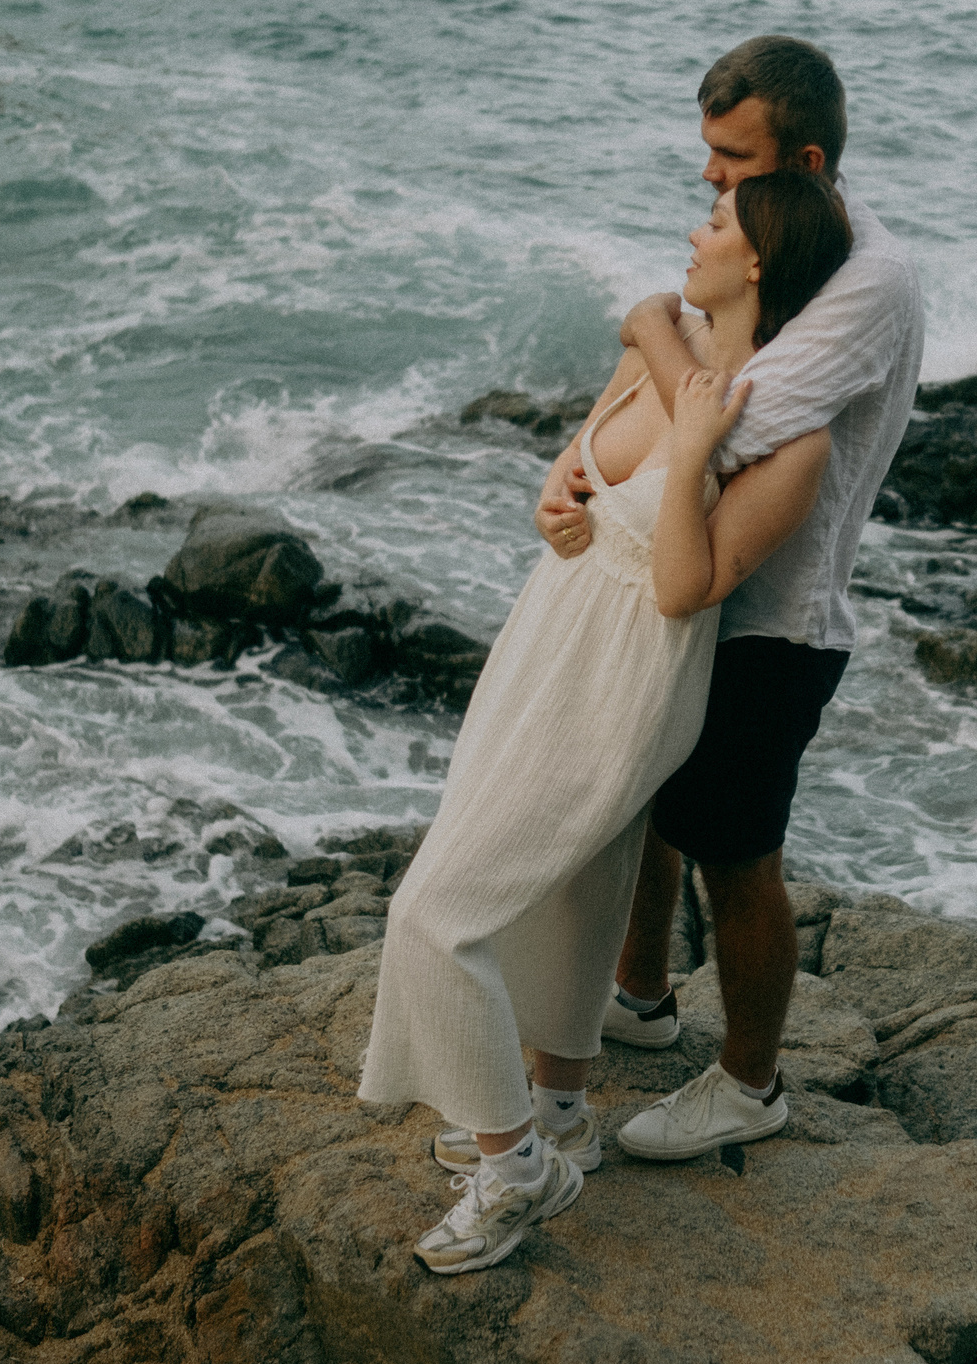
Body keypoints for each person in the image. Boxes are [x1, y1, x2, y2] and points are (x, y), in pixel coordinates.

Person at [357, 169, 855, 1274]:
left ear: (760, 260)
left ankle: (517, 1170)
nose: (694, 225)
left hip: (632, 670)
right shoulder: (660, 343)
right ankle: (561, 1105)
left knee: (432, 913)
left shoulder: (787, 432)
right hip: (552, 631)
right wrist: (557, 491)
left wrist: (690, 450)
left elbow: (685, 587)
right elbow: (579, 470)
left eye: (718, 218)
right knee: (568, 881)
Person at [531, 36, 925, 1160]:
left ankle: (751, 1084)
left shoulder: (871, 280)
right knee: (653, 797)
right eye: (706, 154)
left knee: (736, 851)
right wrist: (588, 459)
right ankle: (643, 998)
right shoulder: (780, 238)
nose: (709, 179)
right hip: (700, 588)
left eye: (730, 158)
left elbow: (733, 420)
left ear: (802, 157)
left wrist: (652, 326)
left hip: (776, 613)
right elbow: (701, 391)